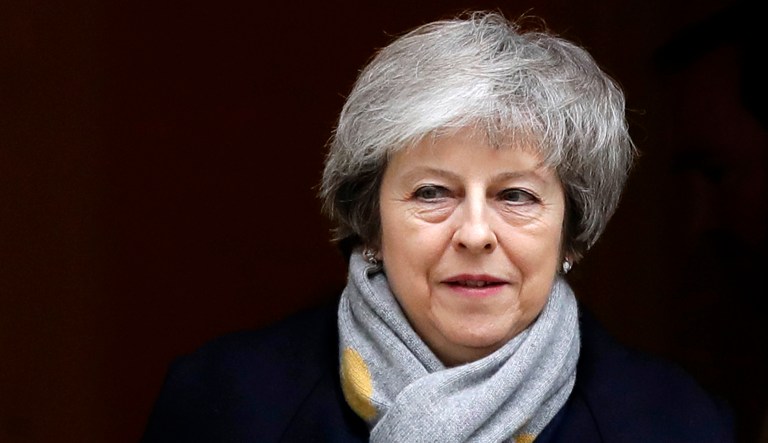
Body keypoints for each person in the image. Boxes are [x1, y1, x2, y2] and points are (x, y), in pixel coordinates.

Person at [141, 11, 734, 442]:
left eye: (516, 195)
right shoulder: (224, 405)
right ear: (369, 222)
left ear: (570, 233)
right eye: (432, 192)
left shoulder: (675, 424)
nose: (475, 233)